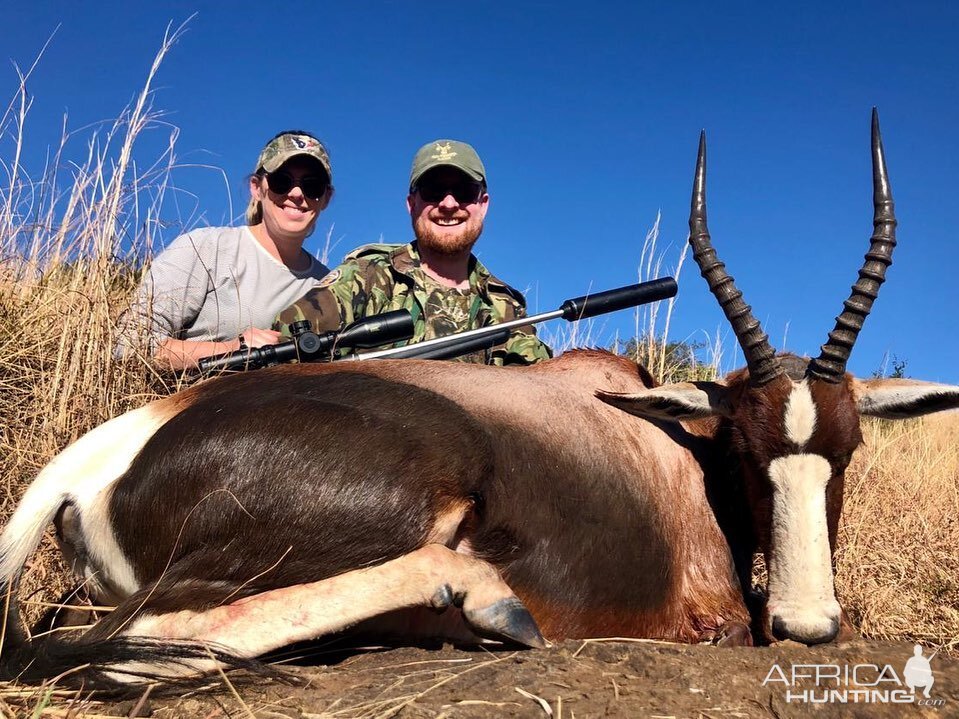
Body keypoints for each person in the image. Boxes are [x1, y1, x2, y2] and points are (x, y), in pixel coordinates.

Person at [274, 139, 551, 366]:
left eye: (465, 191)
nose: (449, 204)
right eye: (433, 191)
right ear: (411, 204)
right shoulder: (368, 275)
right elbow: (286, 340)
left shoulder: (507, 305)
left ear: (483, 204)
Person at [116, 130, 334, 370]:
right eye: (281, 181)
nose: (296, 194)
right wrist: (233, 349)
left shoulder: (328, 284)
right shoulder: (206, 248)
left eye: (312, 186)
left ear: (326, 198)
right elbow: (130, 345)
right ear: (257, 187)